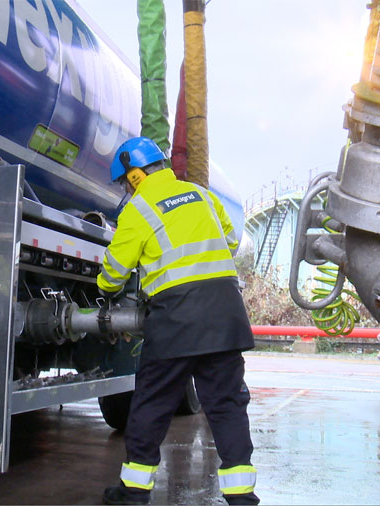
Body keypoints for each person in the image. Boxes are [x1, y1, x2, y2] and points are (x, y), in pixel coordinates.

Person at [97, 137, 259, 505]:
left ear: (135, 175)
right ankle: (242, 497)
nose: (125, 187)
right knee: (227, 405)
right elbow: (230, 240)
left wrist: (104, 282)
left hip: (175, 320)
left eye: (124, 180)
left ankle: (134, 492)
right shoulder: (201, 195)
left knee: (152, 403)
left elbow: (114, 273)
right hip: (224, 312)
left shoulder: (138, 210)